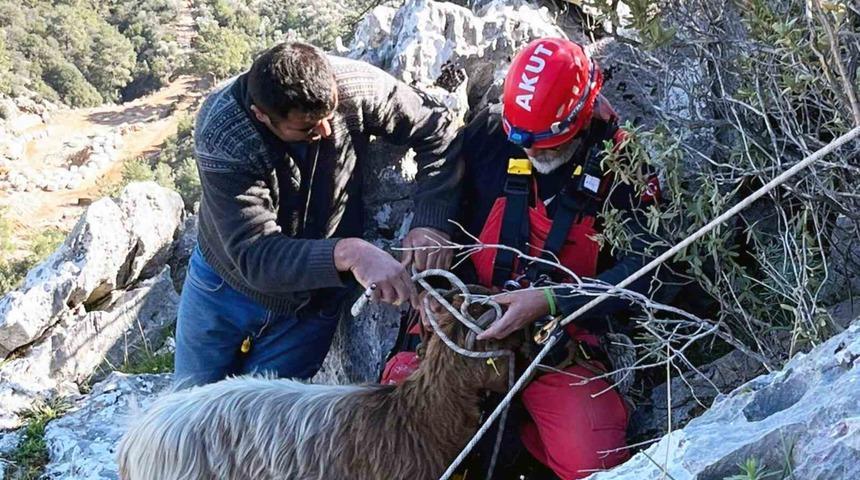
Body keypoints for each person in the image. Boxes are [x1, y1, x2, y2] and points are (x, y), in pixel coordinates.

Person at [382, 38, 665, 479]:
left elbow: (646, 271)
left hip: (556, 337)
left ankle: (527, 441)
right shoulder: (493, 134)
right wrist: (430, 226)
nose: (533, 153)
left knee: (591, 461)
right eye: (525, 144)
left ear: (581, 117)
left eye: (547, 145)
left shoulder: (624, 169)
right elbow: (443, 173)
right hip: (463, 321)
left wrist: (552, 300)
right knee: (399, 436)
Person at [174, 41, 462, 388]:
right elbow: (255, 254)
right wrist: (350, 253)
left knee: (261, 424)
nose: (326, 132)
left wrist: (431, 220)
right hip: (224, 290)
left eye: (329, 117)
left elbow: (437, 128)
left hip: (311, 304)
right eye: (307, 129)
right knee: (187, 409)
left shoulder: (351, 87)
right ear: (261, 115)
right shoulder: (224, 134)